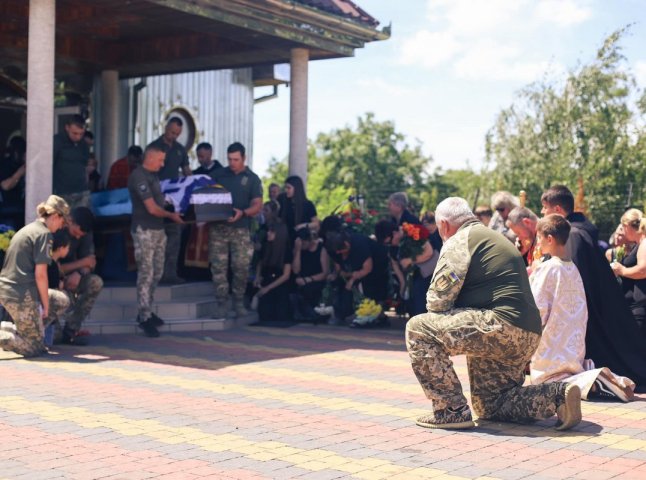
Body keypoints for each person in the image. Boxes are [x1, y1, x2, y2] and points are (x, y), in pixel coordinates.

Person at [406, 197, 582, 431]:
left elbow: (437, 301)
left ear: (445, 225)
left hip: (500, 326)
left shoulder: (460, 239)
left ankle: (451, 410)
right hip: (526, 333)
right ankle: (556, 395)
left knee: (419, 329)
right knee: (491, 404)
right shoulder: (492, 236)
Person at [541, 185, 646, 391]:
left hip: (589, 309)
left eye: (545, 208)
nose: (543, 212)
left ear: (558, 210)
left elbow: (574, 278)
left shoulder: (574, 235)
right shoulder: (580, 230)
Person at [0, 195, 69, 357]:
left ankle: (26, 332)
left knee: (61, 300)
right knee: (34, 349)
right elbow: (41, 275)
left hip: (15, 290)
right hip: (19, 293)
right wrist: (44, 306)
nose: (61, 226)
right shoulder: (44, 235)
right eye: (62, 221)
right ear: (55, 216)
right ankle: (13, 336)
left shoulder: (31, 229)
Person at [127, 145, 184, 338]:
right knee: (146, 273)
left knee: (157, 272)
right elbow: (151, 208)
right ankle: (143, 317)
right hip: (145, 230)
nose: (162, 164)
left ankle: (148, 310)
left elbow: (158, 202)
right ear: (150, 158)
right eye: (160, 160)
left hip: (158, 230)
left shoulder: (153, 176)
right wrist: (171, 215)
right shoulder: (139, 176)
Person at [209, 142, 263, 319]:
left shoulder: (252, 179)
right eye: (230, 159)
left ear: (244, 158)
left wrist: (243, 213)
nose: (232, 163)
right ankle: (221, 304)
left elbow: (257, 205)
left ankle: (238, 301)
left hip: (241, 230)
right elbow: (207, 198)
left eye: (236, 159)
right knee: (219, 268)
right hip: (219, 229)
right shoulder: (218, 175)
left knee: (241, 267)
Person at [147, 118, 191, 285]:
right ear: (165, 128)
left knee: (174, 236)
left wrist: (193, 186)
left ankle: (170, 274)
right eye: (172, 132)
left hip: (174, 201)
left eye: (177, 134)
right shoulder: (153, 147)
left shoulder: (180, 149)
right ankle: (153, 276)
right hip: (155, 199)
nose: (174, 136)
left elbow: (187, 172)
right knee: (155, 239)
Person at [57, 207, 103, 344]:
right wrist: (81, 264)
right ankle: (56, 331)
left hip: (74, 277)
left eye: (81, 235)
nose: (78, 237)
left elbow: (91, 262)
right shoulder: (57, 231)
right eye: (76, 233)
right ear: (70, 221)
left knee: (96, 282)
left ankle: (72, 329)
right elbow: (54, 268)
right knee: (54, 339)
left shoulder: (85, 234)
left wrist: (79, 273)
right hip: (54, 280)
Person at [325, 229, 389, 326]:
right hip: (355, 268)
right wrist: (338, 274)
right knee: (339, 284)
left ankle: (374, 315)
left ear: (346, 244)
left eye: (341, 251)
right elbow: (338, 264)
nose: (339, 253)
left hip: (377, 267)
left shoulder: (359, 245)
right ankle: (340, 313)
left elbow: (367, 268)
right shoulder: (335, 248)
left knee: (368, 289)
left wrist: (352, 279)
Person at [611, 209, 646, 331]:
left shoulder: (644, 243)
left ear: (627, 226)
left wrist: (622, 270)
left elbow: (643, 270)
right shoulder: (639, 243)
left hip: (641, 308)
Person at [253, 222, 293, 325]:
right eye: (269, 231)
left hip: (279, 284)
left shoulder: (286, 250)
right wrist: (257, 277)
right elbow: (260, 263)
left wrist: (268, 288)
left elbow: (286, 275)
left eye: (272, 231)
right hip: (267, 279)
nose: (268, 233)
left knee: (280, 315)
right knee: (265, 314)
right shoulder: (266, 246)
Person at [291, 227, 330, 322]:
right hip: (300, 279)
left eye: (304, 243)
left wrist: (308, 279)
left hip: (315, 279)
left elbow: (325, 273)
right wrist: (298, 251)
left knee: (309, 290)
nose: (303, 245)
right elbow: (296, 270)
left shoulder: (321, 249)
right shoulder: (299, 249)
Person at [53, 114, 91, 210]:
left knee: (82, 221)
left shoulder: (84, 144)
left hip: (82, 191)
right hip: (62, 193)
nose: (78, 137)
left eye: (81, 134)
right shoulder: (57, 141)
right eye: (75, 133)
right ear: (67, 128)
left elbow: (85, 167)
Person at [279, 175, 319, 242]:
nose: (286, 190)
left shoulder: (308, 204)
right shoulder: (284, 203)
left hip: (302, 239)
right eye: (285, 188)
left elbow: (315, 223)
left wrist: (302, 226)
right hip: (287, 239)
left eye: (288, 188)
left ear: (296, 188)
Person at [0, 136, 26, 229]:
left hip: (23, 210)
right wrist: (19, 173)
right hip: (8, 211)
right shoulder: (6, 164)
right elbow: (5, 186)